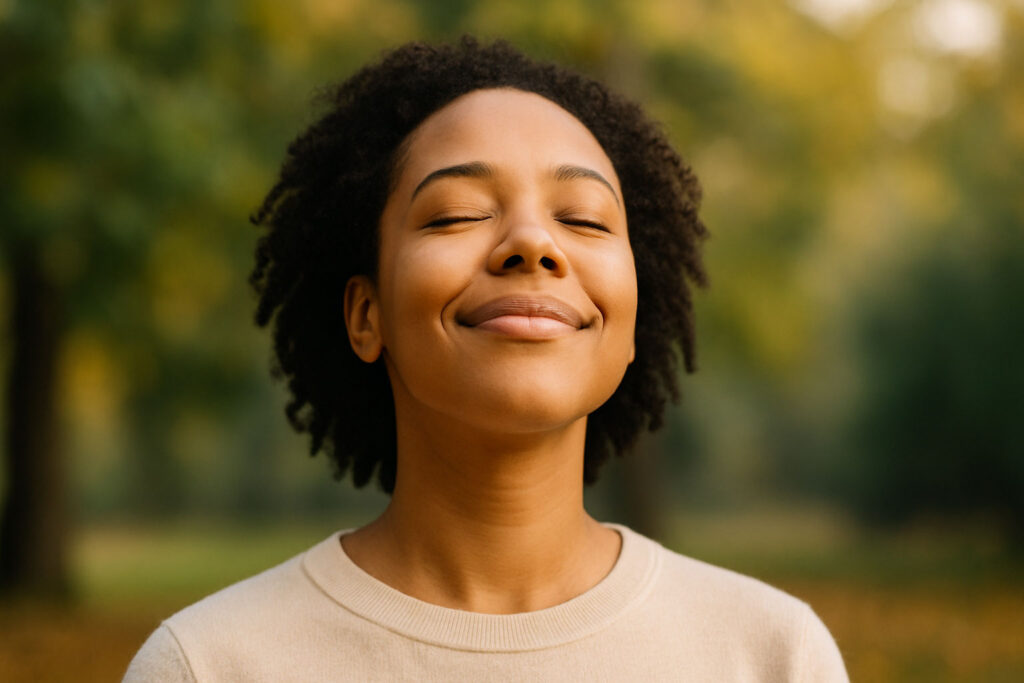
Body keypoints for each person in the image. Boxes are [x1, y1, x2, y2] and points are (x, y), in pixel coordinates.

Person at [124, 37, 848, 681]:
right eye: (459, 213)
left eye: (583, 218)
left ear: (630, 324)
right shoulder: (209, 665)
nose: (532, 242)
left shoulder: (772, 655)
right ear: (367, 315)